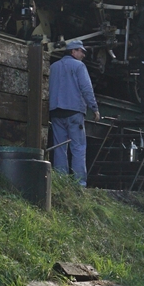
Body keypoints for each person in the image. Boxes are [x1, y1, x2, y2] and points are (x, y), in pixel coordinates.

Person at [48, 39, 100, 186]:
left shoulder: (53, 66)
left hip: (56, 111)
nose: (83, 54)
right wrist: (94, 108)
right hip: (74, 112)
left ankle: (61, 182)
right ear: (73, 51)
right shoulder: (79, 66)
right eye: (81, 51)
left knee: (59, 148)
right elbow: (86, 88)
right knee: (78, 147)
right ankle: (79, 183)